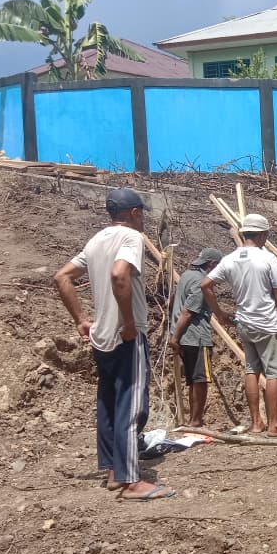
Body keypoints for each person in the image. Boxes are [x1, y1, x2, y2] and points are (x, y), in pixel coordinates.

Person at [53, 187, 176, 501]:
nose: (143, 220)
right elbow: (119, 275)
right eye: (142, 214)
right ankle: (131, 481)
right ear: (134, 213)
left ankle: (112, 472)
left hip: (101, 337)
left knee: (109, 402)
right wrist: (130, 323)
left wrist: (81, 319)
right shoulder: (131, 238)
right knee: (132, 404)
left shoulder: (96, 241)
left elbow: (61, 277)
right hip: (125, 337)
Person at [201, 213, 277, 437]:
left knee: (251, 370)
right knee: (274, 374)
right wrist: (276, 311)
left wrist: (219, 313)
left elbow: (206, 285)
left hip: (245, 323)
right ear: (262, 235)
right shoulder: (267, 258)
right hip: (267, 324)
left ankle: (256, 423)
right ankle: (273, 426)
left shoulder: (230, 259)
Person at [169, 247, 223, 428]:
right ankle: (196, 419)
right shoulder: (201, 283)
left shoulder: (186, 276)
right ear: (212, 264)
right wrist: (175, 338)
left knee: (193, 380)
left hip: (185, 338)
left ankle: (194, 419)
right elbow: (187, 313)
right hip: (196, 337)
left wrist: (176, 336)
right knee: (200, 380)